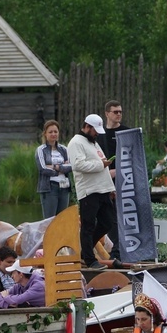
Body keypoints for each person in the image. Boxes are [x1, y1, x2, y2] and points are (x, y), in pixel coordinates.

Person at [69, 114, 117, 267]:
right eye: (95, 130)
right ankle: (89, 259)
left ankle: (86, 251)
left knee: (107, 222)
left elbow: (103, 166)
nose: (97, 133)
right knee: (88, 226)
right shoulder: (76, 142)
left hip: (102, 190)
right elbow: (78, 165)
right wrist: (100, 165)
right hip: (89, 191)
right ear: (87, 127)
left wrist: (110, 187)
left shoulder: (93, 143)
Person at [35, 120, 72, 219]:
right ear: (45, 134)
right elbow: (43, 169)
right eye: (50, 132)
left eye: (55, 132)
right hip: (50, 188)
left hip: (64, 187)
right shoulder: (41, 150)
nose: (53, 134)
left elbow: (71, 167)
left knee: (62, 220)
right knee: (50, 221)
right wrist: (61, 168)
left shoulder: (64, 149)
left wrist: (55, 166)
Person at [97, 100, 124, 177]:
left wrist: (117, 171)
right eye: (115, 112)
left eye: (120, 112)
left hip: (124, 176)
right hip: (103, 175)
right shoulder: (100, 133)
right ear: (107, 114)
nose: (119, 114)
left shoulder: (126, 132)